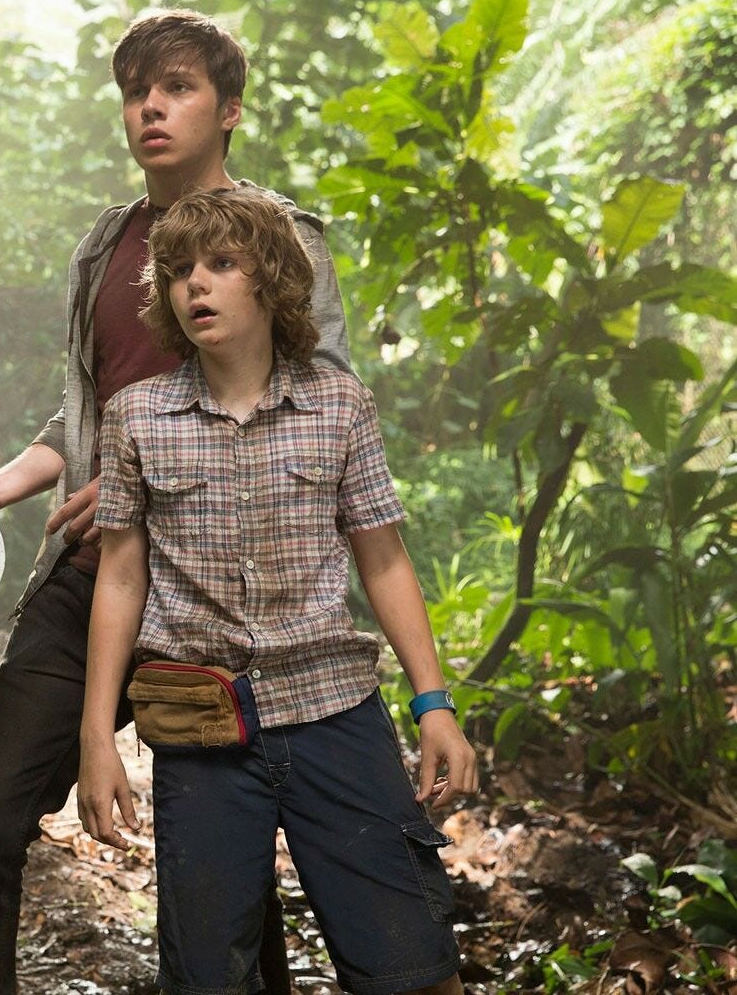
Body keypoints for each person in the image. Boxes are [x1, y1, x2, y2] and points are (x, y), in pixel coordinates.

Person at [0, 10, 352, 993]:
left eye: (177, 87)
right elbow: (88, 408)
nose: (151, 107)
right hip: (92, 579)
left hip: (221, 597)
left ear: (231, 108)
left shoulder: (285, 239)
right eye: (135, 91)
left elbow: (321, 411)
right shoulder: (105, 247)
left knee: (227, 884)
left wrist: (147, 483)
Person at [78, 187, 478, 995]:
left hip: (336, 712)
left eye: (222, 265)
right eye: (181, 271)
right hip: (202, 729)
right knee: (207, 976)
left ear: (273, 286)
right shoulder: (137, 417)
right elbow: (121, 576)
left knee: (412, 962)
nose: (197, 286)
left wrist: (434, 706)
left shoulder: (338, 404)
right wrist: (97, 738)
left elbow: (385, 560)